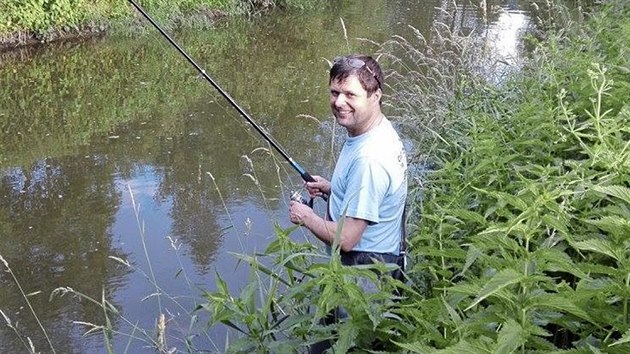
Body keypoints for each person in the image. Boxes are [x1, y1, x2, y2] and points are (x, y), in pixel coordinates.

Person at [288, 53, 408, 280]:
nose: (339, 102)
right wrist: (333, 189)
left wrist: (306, 216)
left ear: (375, 96)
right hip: (381, 259)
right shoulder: (375, 131)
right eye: (335, 93)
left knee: (345, 317)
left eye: (350, 94)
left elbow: (347, 238)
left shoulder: (370, 159)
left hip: (365, 272)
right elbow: (374, 197)